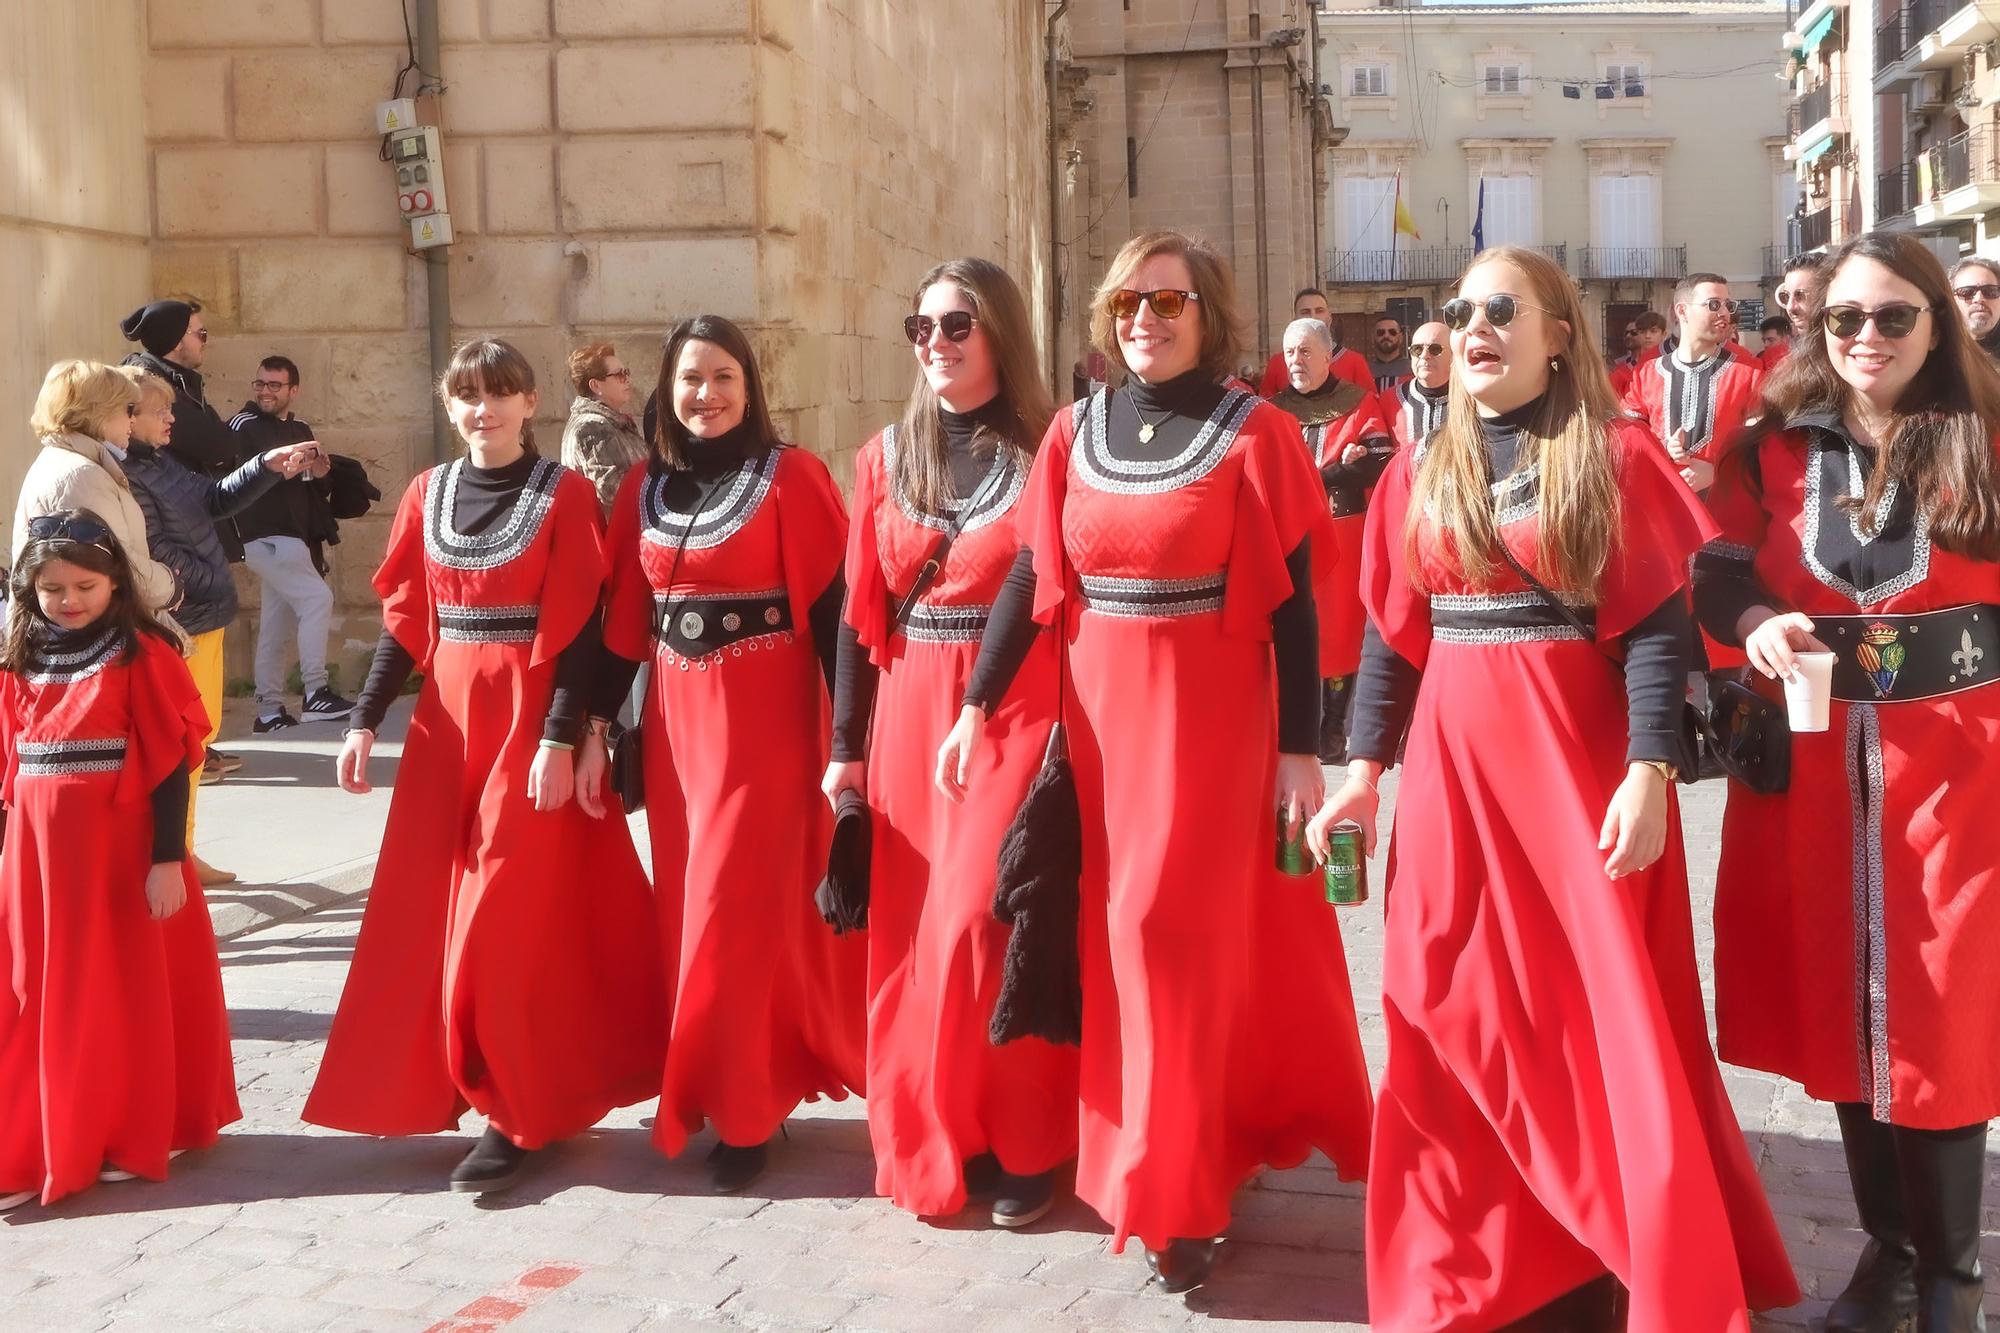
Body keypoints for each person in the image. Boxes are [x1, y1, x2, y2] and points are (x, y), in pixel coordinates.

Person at [1306, 243, 1798, 1329]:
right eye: (1458, 311)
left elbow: (1659, 635)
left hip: (1578, 775)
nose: (1473, 326)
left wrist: (1648, 769)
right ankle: (1473, 1258)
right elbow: (1393, 643)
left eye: (1499, 308)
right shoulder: (1414, 466)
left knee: (1589, 1014)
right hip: (1450, 779)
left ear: (1555, 335)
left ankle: (1606, 1244)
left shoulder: (1612, 458)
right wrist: (1357, 776)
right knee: (1441, 1002)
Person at [947, 230, 1374, 1293]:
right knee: (1112, 943)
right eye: (1129, 302)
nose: (1145, 319)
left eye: (1168, 303)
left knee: (1163, 939)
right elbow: (1027, 580)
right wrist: (972, 705)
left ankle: (1177, 1188)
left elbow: (1296, 602)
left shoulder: (1256, 433)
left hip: (1208, 729)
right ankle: (1165, 1153)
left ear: (1206, 314)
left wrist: (1297, 752)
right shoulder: (1070, 432)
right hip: (1092, 728)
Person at [1696, 231, 2000, 1333]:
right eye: (1841, 320)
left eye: (1891, 317)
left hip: (1958, 768)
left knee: (1937, 1015)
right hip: (1810, 764)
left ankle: (1949, 1283)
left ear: (1937, 321)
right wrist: (1750, 621)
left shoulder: (1988, 435)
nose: (1864, 338)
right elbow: (1716, 566)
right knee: (1836, 1003)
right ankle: (1887, 1251)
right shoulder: (1770, 446)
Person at [305, 339, 666, 1196]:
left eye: (499, 394)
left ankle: (515, 1110)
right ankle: (472, 1087)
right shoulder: (428, 493)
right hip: (446, 727)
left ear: (529, 400)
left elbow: (582, 623)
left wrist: (559, 734)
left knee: (502, 913)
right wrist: (363, 722)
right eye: (468, 395)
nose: (483, 410)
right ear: (448, 400)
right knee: (432, 912)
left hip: (526, 726)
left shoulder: (564, 493)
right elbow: (406, 621)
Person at [578, 315, 865, 1196]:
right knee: (689, 913)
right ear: (666, 388)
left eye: (724, 377)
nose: (706, 395)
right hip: (674, 733)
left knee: (732, 912)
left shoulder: (793, 477)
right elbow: (622, 626)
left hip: (769, 727)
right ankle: (733, 1085)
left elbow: (837, 623)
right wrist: (589, 725)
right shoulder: (640, 492)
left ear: (751, 387)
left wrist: (854, 750)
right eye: (691, 378)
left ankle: (744, 1109)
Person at [819, 259, 1078, 1227]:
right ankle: (940, 1127)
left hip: (1009, 704)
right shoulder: (884, 457)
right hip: (905, 711)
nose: (936, 343)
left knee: (990, 918)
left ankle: (1026, 1137)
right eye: (919, 327)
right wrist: (845, 748)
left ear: (1000, 332)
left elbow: (1047, 580)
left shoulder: (1050, 447)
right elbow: (856, 615)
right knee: (916, 937)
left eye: (957, 324)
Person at [0, 512, 238, 1214]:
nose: (69, 599)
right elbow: (9, 768)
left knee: (127, 987)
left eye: (85, 585)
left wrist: (169, 858)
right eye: (51, 587)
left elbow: (170, 765)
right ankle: (43, 1128)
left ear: (115, 582)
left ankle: (141, 1126)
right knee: (38, 991)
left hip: (124, 850)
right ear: (29, 589)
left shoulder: (142, 651)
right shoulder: (18, 652)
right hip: (38, 859)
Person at [120, 367, 313, 887]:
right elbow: (155, 552)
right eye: (160, 410)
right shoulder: (127, 475)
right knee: (179, 748)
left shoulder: (159, 461)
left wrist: (265, 467)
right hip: (181, 625)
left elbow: (214, 498)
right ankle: (172, 853)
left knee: (197, 747)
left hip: (205, 620)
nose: (171, 419)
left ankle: (183, 847)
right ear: (126, 417)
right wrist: (211, 581)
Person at [1267, 316, 1394, 761]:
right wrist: (1337, 470)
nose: (1295, 361)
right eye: (1288, 353)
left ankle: (1335, 732)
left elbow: (1380, 458)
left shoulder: (1358, 404)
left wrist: (1329, 475)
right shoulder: (1273, 409)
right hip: (1287, 537)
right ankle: (1296, 728)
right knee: (1292, 630)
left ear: (1327, 355)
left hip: (1343, 535)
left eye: (1304, 352)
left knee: (1339, 635)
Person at [229, 356, 352, 733]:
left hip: (293, 536)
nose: (265, 391)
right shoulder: (243, 425)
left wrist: (318, 472)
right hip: (263, 537)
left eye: (274, 385)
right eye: (260, 384)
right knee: (318, 599)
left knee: (276, 626)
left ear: (293, 391)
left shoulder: (299, 427)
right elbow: (237, 476)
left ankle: (268, 712)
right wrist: (300, 463)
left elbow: (312, 486)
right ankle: (316, 691)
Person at [14, 362, 178, 616]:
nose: (132, 420)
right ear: (101, 411)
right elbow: (115, 562)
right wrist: (170, 586)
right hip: (89, 636)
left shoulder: (75, 464)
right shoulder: (80, 475)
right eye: (128, 410)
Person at [1622, 271, 1764, 496]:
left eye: (1728, 305)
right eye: (1714, 304)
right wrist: (1664, 447)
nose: (1725, 313)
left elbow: (1761, 441)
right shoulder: (1647, 372)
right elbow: (1628, 436)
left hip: (1726, 507)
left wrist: (1717, 469)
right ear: (1682, 311)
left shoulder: (1748, 372)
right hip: (1664, 505)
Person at [560, 342, 649, 517]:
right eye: (619, 375)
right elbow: (611, 491)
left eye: (626, 372)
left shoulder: (608, 422)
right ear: (596, 386)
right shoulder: (593, 427)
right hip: (615, 534)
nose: (627, 379)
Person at [1256, 287, 1371, 395]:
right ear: (1295, 319)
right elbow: (1264, 410)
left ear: (1329, 318)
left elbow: (1368, 408)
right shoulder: (1277, 363)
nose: (1313, 317)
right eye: (1305, 312)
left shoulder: (1355, 362)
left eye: (1319, 311)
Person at [1383, 319, 1452, 451]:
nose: (1424, 356)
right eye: (1417, 349)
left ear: (1454, 355)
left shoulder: (1472, 399)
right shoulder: (1389, 400)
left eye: (1435, 349)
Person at [1948, 257, 2000, 362]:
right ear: (1951, 300)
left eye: (1990, 291)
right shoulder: (1935, 349)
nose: (1979, 299)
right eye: (1967, 292)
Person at [1608, 310, 1669, 398]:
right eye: (1642, 332)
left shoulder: (1671, 365)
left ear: (1664, 334)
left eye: (1653, 331)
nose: (1647, 336)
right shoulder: (1622, 370)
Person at [1365, 313, 1410, 390]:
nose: (1386, 336)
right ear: (1373, 338)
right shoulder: (1364, 371)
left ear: (1401, 337)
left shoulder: (1413, 369)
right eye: (1380, 332)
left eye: (1392, 332)